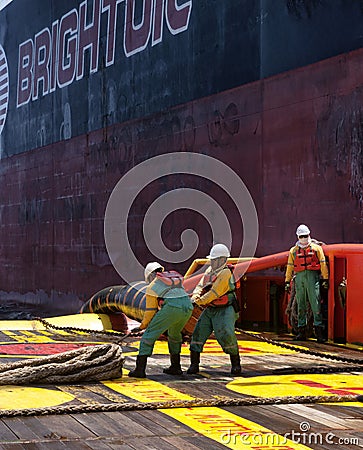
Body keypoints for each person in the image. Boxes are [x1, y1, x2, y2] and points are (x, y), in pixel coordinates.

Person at [128, 262, 193, 378]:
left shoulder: (152, 286)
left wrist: (142, 327)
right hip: (188, 308)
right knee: (174, 334)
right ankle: (176, 367)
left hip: (172, 308)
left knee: (148, 336)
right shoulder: (173, 280)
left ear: (149, 276)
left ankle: (139, 370)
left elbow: (150, 312)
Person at [187, 244, 241, 375]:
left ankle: (236, 363)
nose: (212, 261)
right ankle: (194, 364)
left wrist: (198, 302)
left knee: (226, 333)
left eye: (214, 259)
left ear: (222, 260)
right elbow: (201, 285)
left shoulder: (225, 273)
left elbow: (214, 293)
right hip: (211, 309)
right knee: (198, 332)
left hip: (225, 309)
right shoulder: (210, 270)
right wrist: (195, 296)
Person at [285, 224, 329, 343]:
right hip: (299, 279)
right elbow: (289, 267)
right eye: (301, 236)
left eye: (305, 236)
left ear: (309, 235)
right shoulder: (293, 251)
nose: (304, 238)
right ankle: (301, 331)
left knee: (315, 305)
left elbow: (323, 263)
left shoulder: (316, 249)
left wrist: (325, 279)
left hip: (312, 277)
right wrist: (287, 281)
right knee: (301, 305)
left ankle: (318, 332)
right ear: (298, 237)